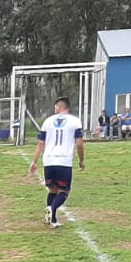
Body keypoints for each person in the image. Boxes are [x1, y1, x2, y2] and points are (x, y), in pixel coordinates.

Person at [27, 96, 86, 228]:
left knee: (53, 190)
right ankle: (51, 209)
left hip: (48, 160)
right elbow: (79, 143)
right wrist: (81, 160)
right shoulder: (75, 121)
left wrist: (34, 161)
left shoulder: (48, 121)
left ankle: (52, 220)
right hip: (64, 161)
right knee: (64, 191)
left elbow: (41, 143)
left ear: (59, 107)